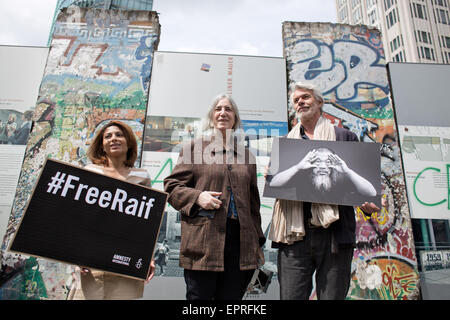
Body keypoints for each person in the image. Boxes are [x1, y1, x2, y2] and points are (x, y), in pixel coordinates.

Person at [265, 82, 382, 300]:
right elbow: (275, 183)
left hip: (334, 235)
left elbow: (364, 187)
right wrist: (270, 176)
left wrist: (367, 204)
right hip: (294, 235)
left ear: (319, 102)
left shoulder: (344, 138)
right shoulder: (285, 145)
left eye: (306, 97)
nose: (300, 102)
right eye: (296, 100)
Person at [164, 94, 265, 300]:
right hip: (204, 242)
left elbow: (254, 205)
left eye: (228, 109)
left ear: (235, 118)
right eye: (218, 109)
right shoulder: (193, 149)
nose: (223, 113)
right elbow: (171, 187)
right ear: (211, 116)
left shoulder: (247, 157)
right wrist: (197, 196)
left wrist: (257, 243)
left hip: (240, 245)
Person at [68, 120, 155, 300]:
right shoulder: (90, 171)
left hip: (126, 261)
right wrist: (76, 254)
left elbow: (146, 225)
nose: (113, 139)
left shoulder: (142, 176)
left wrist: (148, 257)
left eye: (119, 135)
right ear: (102, 145)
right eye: (108, 136)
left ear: (129, 142)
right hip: (92, 261)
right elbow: (78, 219)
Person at [268, 146, 377, 205]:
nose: (323, 166)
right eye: (318, 161)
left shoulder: (341, 177)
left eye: (328, 162)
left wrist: (348, 171)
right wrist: (297, 167)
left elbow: (372, 193)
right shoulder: (302, 174)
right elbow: (273, 183)